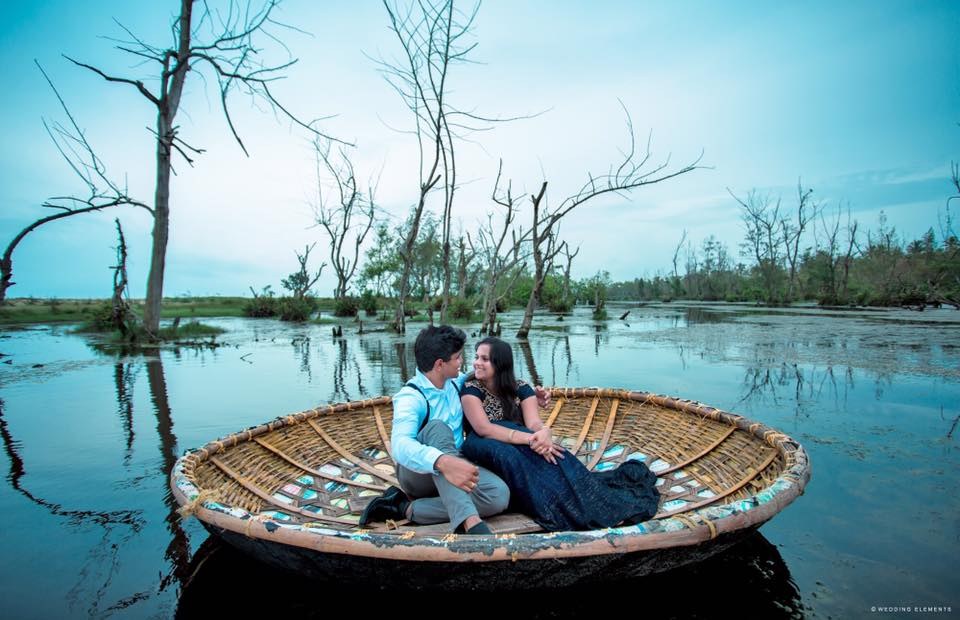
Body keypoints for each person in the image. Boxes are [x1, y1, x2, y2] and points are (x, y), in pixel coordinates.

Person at [359, 325, 549, 535]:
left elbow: (495, 377)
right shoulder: (411, 397)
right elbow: (400, 446)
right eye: (458, 357)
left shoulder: (458, 383)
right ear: (440, 364)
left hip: (458, 463)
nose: (462, 362)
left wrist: (529, 394)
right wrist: (441, 461)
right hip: (419, 474)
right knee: (437, 429)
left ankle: (404, 507)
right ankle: (470, 522)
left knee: (498, 495)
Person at [459, 336, 661, 531]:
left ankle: (587, 502)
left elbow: (534, 423)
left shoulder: (521, 388)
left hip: (517, 437)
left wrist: (544, 433)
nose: (477, 363)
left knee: (558, 454)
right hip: (482, 444)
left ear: (500, 363)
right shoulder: (471, 389)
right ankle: (550, 504)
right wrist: (530, 439)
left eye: (484, 359)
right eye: (476, 357)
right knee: (511, 456)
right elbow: (483, 429)